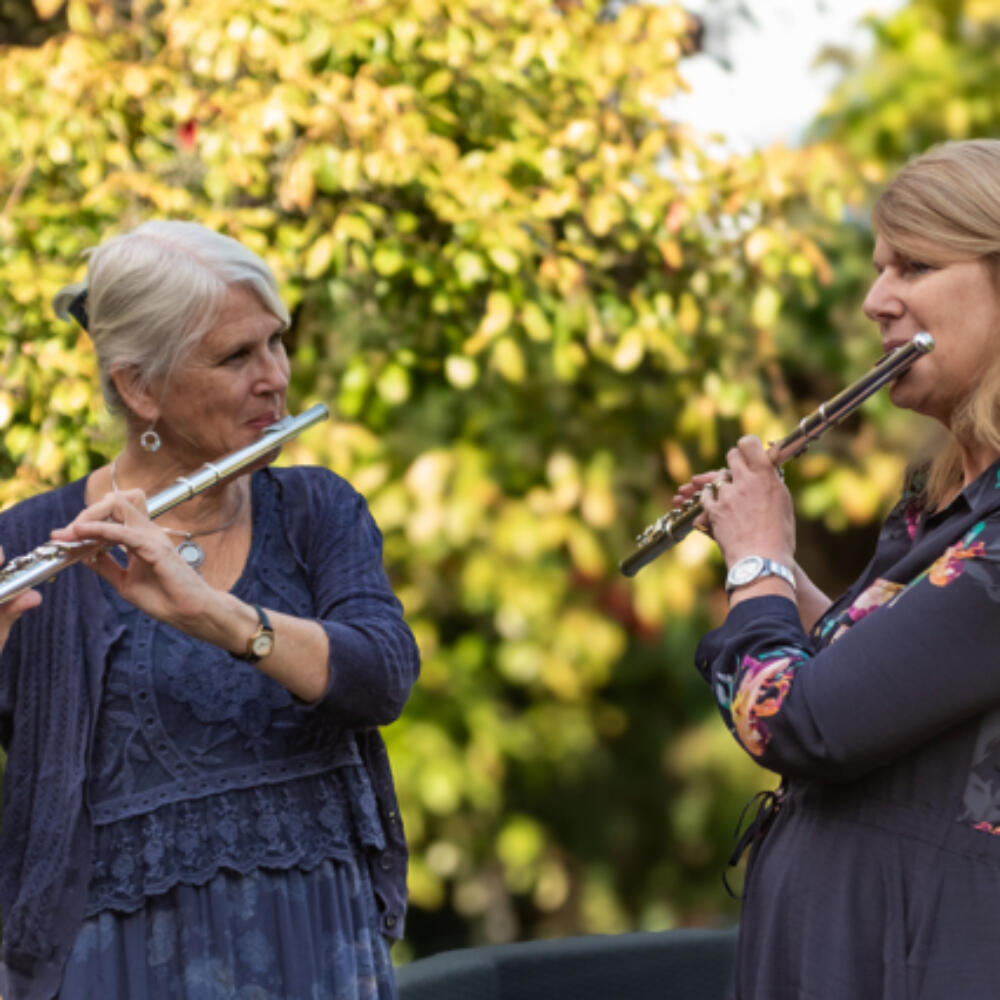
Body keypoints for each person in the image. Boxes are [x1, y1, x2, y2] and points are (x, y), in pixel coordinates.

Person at [0, 221, 420, 1000]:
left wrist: (217, 616)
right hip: (115, 966)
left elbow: (382, 677)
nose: (275, 378)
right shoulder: (29, 541)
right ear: (140, 387)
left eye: (276, 343)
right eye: (236, 356)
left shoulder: (315, 510)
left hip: (315, 946)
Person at [685, 138, 1000, 999]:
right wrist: (773, 561)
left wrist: (754, 562)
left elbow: (799, 720)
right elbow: (874, 664)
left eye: (914, 266)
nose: (875, 302)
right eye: (877, 268)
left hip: (925, 956)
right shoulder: (934, 504)